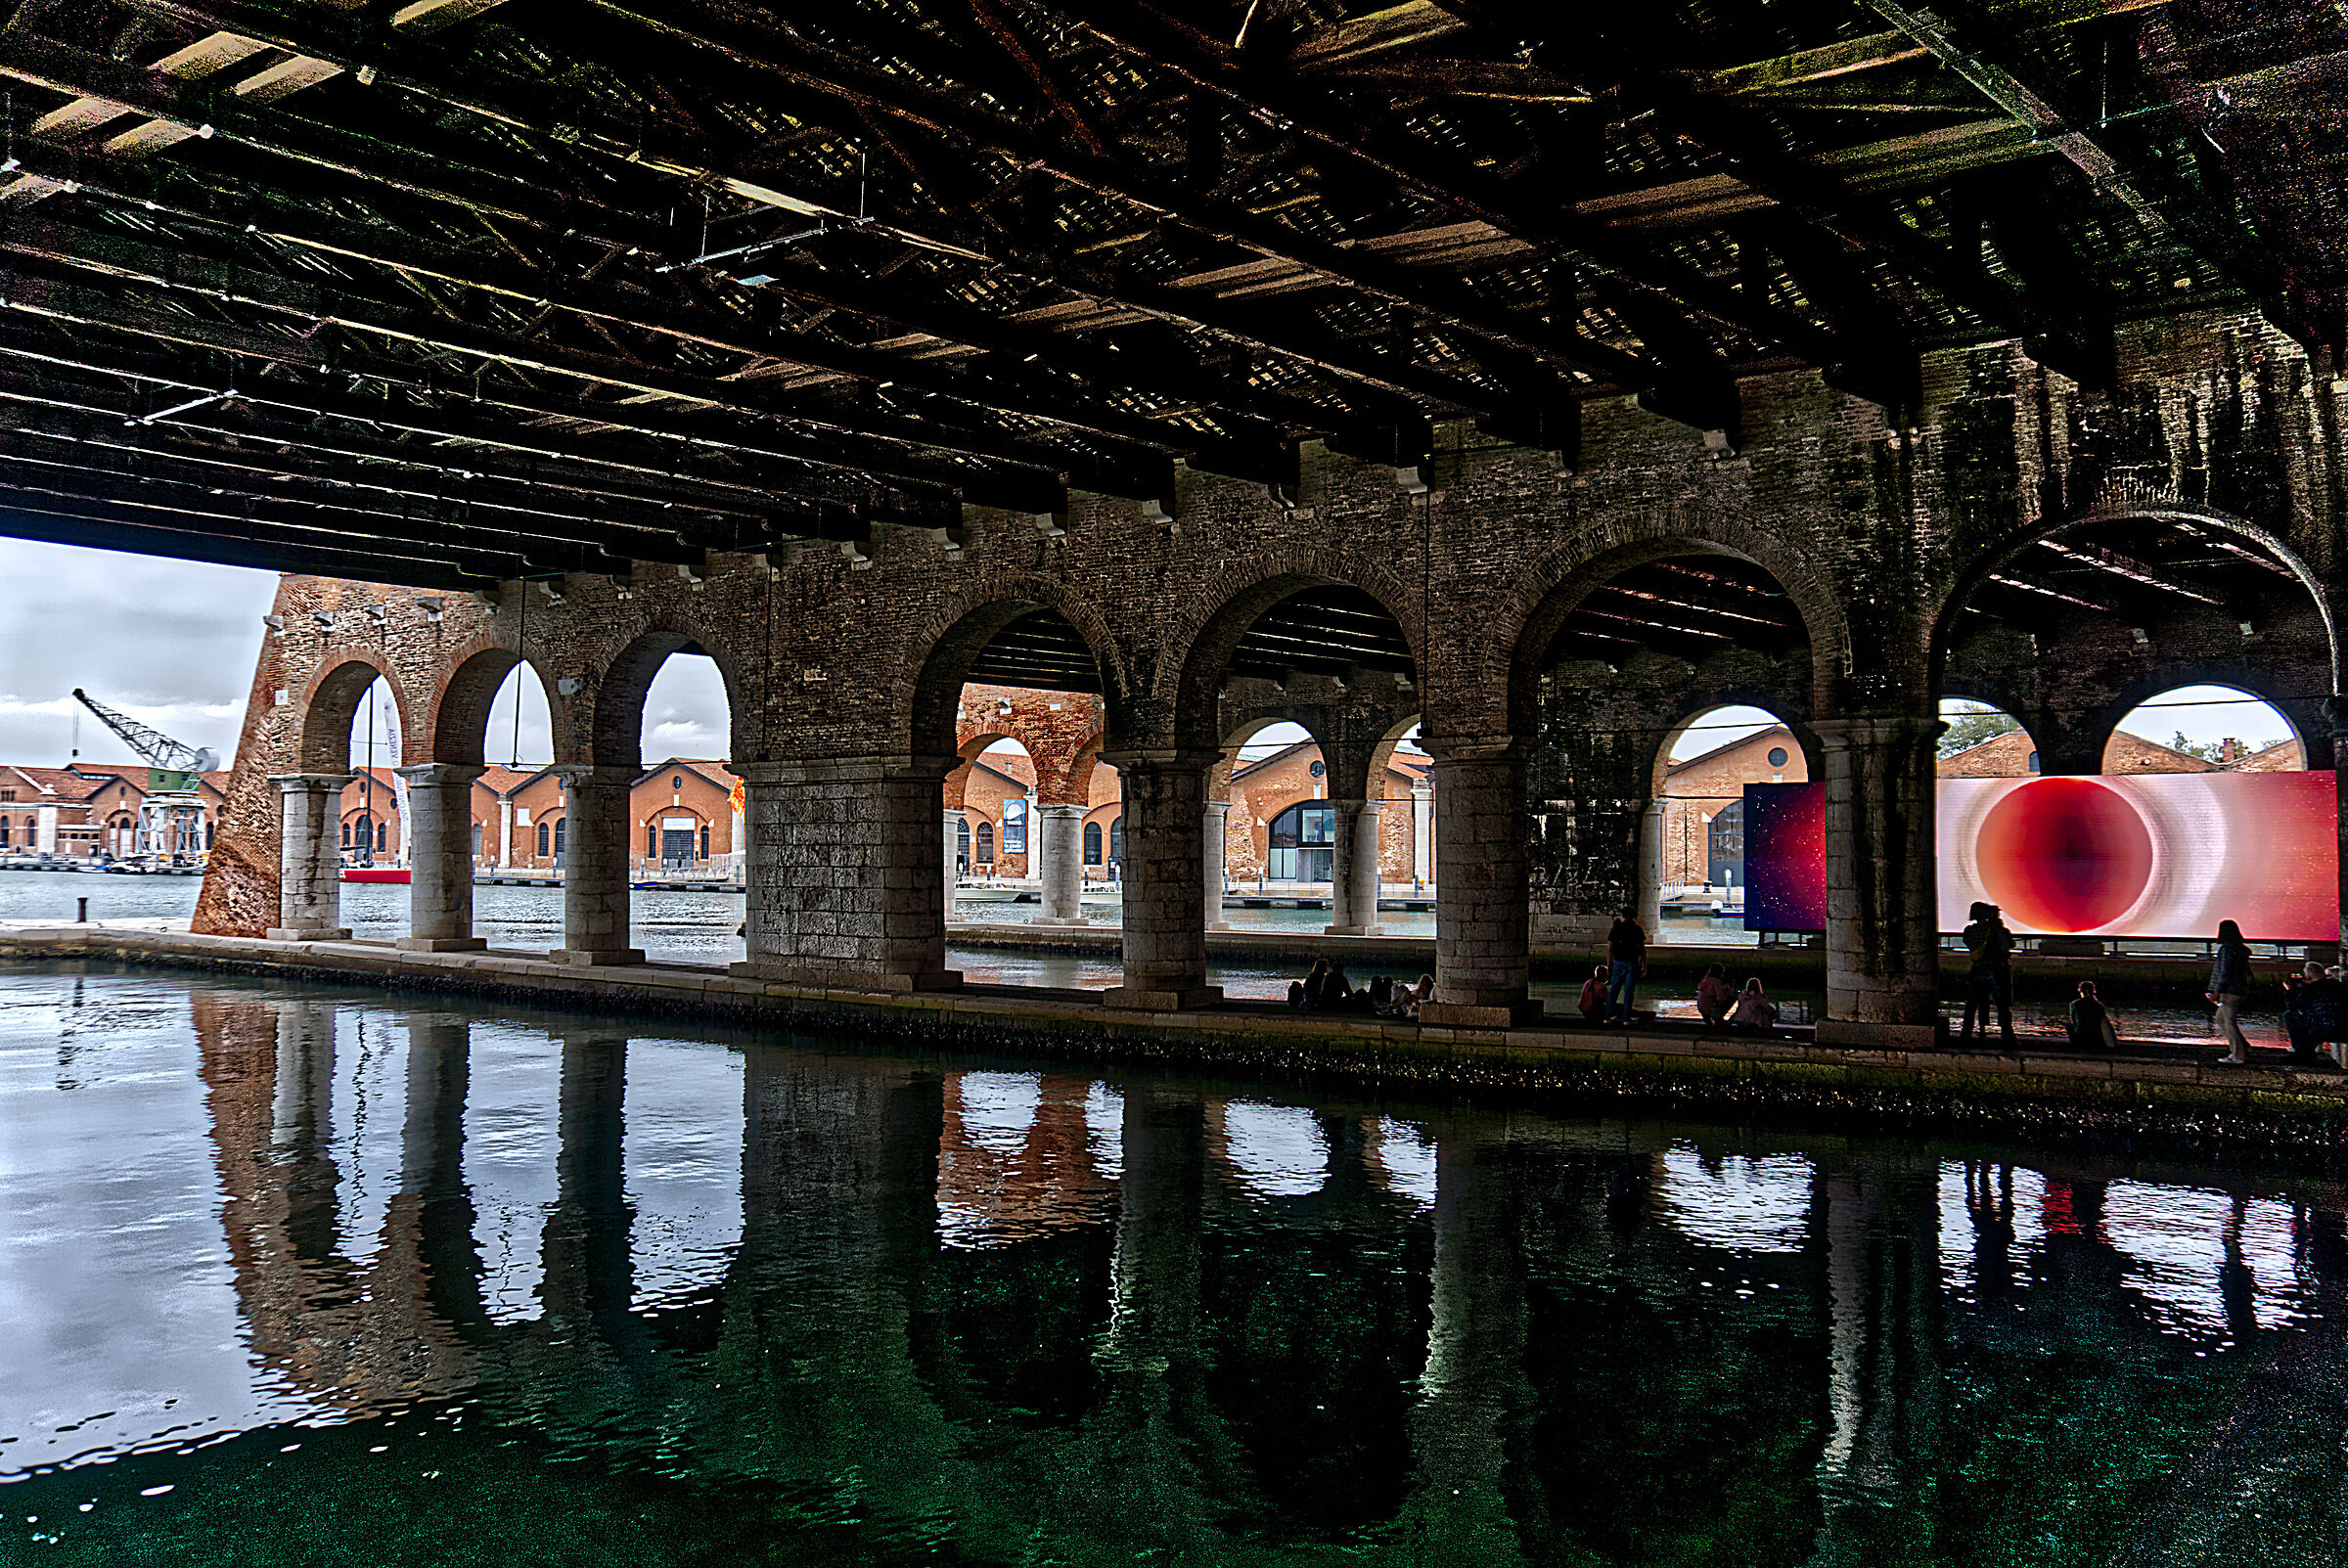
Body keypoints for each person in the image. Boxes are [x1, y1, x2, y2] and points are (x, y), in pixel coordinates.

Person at [1961, 902, 2014, 1044]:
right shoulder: (1996, 930)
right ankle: (2007, 1036)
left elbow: (1968, 942)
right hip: (1996, 970)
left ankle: (1966, 1034)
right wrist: (1999, 926)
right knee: (2002, 1004)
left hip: (1977, 970)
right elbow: (2009, 944)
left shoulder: (1969, 931)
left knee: (1972, 1004)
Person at [2207, 918, 2253, 1064]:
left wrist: (2216, 991)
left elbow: (2224, 972)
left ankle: (2238, 1054)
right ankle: (2243, 1046)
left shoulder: (2226, 949)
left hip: (2229, 991)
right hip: (2238, 989)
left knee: (2228, 1022)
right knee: (2221, 1019)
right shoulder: (2241, 949)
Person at [1606, 909, 1646, 1024]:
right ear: (1634, 916)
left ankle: (1608, 1016)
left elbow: (1610, 949)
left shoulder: (1616, 929)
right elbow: (1642, 950)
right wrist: (1644, 965)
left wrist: (1608, 965)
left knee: (1614, 989)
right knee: (1629, 991)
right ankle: (1626, 1018)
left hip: (1618, 962)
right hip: (1632, 963)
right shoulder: (1637, 929)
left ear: (1623, 916)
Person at [2066, 981, 2120, 1053]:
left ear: (2080, 991)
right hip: (2096, 1039)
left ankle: (2077, 1046)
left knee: (2068, 1025)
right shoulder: (2098, 1005)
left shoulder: (2074, 1004)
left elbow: (2075, 1022)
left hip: (2081, 1039)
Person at [1695, 963, 1734, 1028]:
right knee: (1731, 999)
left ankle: (1708, 1018)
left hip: (1701, 1006)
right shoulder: (1715, 981)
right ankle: (1718, 1018)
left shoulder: (1705, 980)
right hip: (1709, 1006)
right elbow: (1720, 997)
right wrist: (1728, 990)